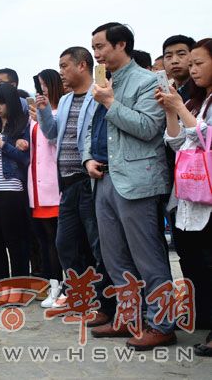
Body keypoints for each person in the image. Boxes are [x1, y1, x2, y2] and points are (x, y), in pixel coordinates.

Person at [84, 22, 175, 349]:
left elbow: (150, 128)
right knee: (115, 259)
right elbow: (91, 131)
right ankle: (128, 318)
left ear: (121, 45)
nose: (96, 53)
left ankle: (162, 323)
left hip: (138, 181)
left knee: (148, 259)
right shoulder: (103, 83)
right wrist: (87, 159)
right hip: (103, 178)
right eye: (94, 47)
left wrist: (110, 102)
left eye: (101, 46)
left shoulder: (148, 80)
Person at [37, 47, 114, 326]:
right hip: (67, 184)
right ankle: (80, 297)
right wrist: (45, 113)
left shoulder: (99, 93)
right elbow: (52, 134)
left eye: (64, 65)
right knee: (65, 243)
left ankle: (105, 303)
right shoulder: (67, 99)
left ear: (83, 65)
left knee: (97, 244)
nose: (61, 72)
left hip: (90, 181)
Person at [157, 38, 212, 356]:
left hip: (206, 192)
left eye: (197, 62)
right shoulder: (193, 100)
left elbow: (206, 138)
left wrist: (178, 107)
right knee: (193, 259)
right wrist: (171, 111)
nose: (192, 68)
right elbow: (177, 143)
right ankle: (202, 314)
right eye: (190, 64)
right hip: (189, 193)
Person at [0, 83, 31, 301]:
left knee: (15, 240)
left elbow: (25, 159)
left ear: (11, 103)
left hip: (10, 188)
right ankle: (4, 287)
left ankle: (19, 287)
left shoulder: (22, 126)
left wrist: (3, 144)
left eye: (2, 102)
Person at [28, 69, 64, 308]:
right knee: (44, 241)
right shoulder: (35, 118)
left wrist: (42, 115)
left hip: (54, 185)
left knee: (58, 242)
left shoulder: (59, 112)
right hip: (37, 186)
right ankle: (53, 285)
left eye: (45, 85)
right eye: (38, 86)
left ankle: (65, 287)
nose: (42, 91)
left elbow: (53, 142)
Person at [162, 35, 197, 101]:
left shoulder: (203, 92)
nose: (174, 61)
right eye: (169, 56)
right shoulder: (164, 92)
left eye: (181, 54)